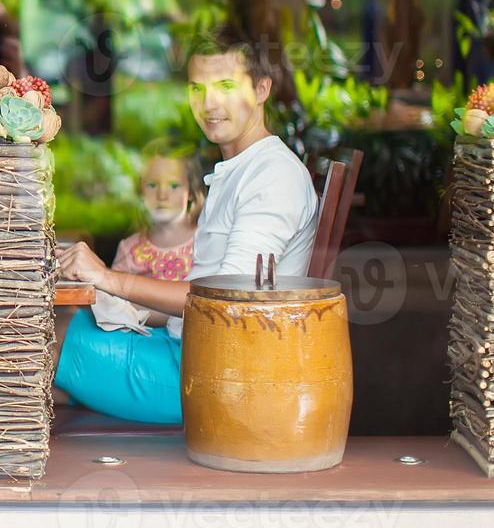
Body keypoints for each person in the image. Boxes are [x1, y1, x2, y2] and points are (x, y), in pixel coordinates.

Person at [53, 24, 318, 424]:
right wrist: (117, 302)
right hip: (193, 354)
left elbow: (227, 299)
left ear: (262, 89)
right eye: (198, 88)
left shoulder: (271, 176)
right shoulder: (241, 169)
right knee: (63, 319)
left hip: (215, 382)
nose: (210, 103)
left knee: (35, 343)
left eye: (226, 85)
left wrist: (109, 278)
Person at [111, 146, 203, 287]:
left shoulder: (207, 242)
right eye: (153, 185)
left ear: (190, 191)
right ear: (140, 191)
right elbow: (113, 302)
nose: (162, 195)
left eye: (173, 185)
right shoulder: (129, 250)